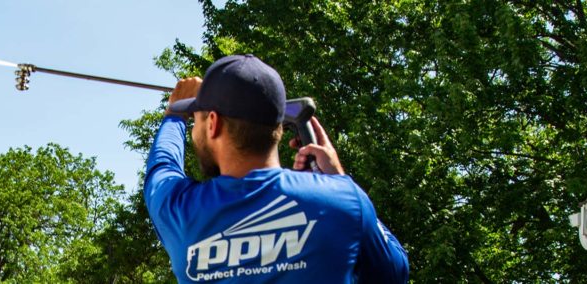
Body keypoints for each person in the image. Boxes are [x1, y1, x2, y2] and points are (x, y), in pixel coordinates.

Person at [144, 54, 409, 283]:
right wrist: (337, 177)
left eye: (198, 120)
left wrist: (174, 117)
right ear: (278, 128)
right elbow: (394, 274)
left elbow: (163, 166)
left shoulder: (180, 211)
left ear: (213, 123)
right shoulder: (344, 200)